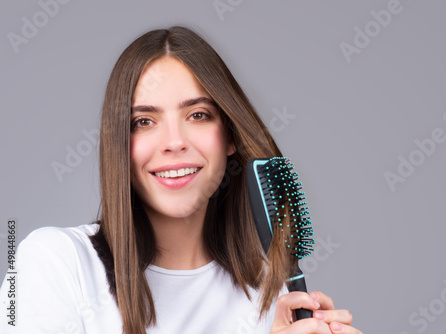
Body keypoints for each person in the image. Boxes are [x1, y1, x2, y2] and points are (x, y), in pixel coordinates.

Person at [0, 26, 363, 334]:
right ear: (119, 146)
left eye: (198, 115)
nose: (174, 142)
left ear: (231, 136)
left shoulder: (272, 297)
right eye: (144, 121)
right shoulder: (54, 262)